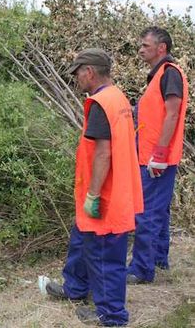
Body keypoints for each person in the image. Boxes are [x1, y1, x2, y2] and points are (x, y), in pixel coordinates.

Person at [45, 49, 143, 326]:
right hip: (119, 190)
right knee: (86, 244)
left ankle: (111, 316)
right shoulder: (118, 97)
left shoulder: (100, 102)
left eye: (77, 72)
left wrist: (94, 194)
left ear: (89, 71)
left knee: (104, 258)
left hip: (106, 196)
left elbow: (103, 153)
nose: (76, 78)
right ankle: (78, 290)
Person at [127, 27, 189, 284]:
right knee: (159, 211)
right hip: (154, 155)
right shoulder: (159, 76)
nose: (140, 49)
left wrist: (160, 154)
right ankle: (159, 258)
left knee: (148, 212)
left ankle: (141, 269)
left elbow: (172, 114)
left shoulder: (169, 74)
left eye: (145, 45)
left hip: (157, 157)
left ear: (161, 48)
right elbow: (154, 114)